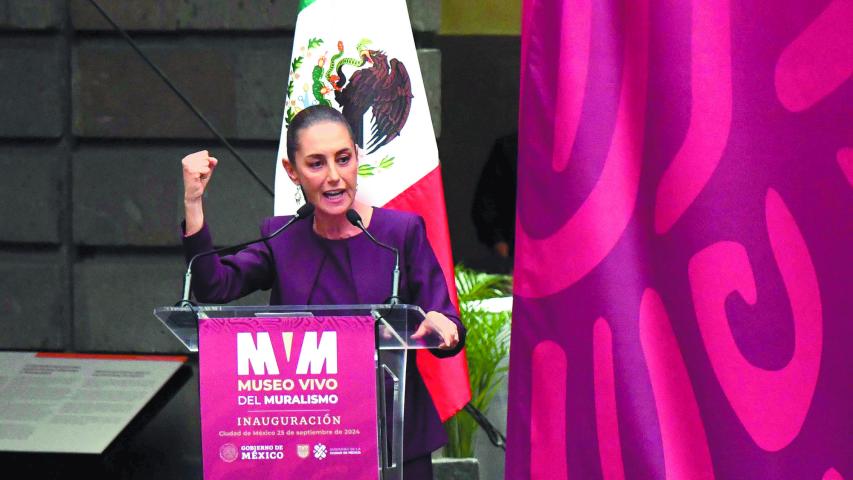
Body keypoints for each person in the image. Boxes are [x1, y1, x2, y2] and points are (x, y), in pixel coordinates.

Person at [181, 105, 464, 479]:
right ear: (292, 171)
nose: (334, 176)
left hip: (396, 442)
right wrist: (193, 202)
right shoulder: (281, 238)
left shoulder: (400, 233)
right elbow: (214, 286)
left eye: (343, 159)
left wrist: (442, 328)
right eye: (316, 164)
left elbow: (448, 325)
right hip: (310, 444)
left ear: (357, 158)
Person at [471, 132, 517, 265]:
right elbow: (485, 201)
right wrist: (498, 241)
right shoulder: (510, 147)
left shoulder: (566, 147)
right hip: (513, 252)